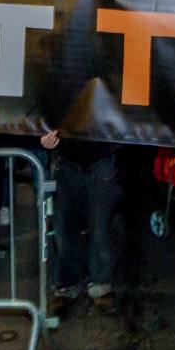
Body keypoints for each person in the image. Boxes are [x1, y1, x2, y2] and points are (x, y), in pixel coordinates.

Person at [42, 128, 120, 316]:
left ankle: (100, 284)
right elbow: (41, 103)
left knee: (100, 225)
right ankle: (67, 285)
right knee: (65, 227)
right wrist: (42, 133)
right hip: (66, 155)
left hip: (103, 153)